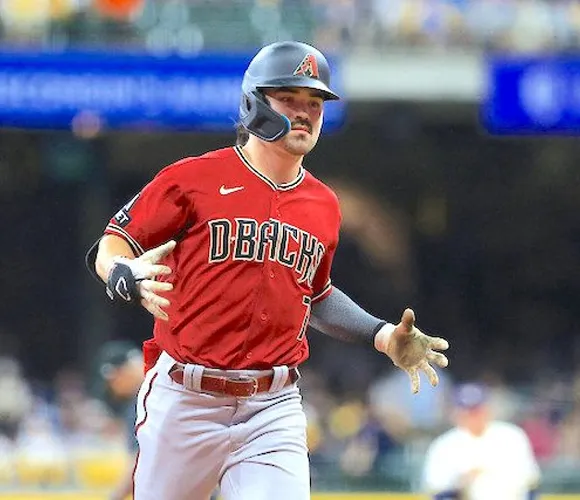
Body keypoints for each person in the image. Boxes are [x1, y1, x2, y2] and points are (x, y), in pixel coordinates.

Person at [86, 40, 450, 500]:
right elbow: (113, 243)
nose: (304, 112)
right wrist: (122, 270)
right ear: (253, 103)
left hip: (271, 405)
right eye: (289, 99)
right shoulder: (192, 178)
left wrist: (381, 335)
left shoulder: (323, 204)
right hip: (186, 398)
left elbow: (315, 295)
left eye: (314, 103)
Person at [422, 382, 541, 500]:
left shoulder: (511, 436)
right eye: (467, 411)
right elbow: (437, 489)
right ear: (456, 413)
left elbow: (530, 481)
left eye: (477, 410)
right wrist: (461, 482)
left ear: (487, 409)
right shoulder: (444, 445)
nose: (473, 416)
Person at [95, 341, 143, 500]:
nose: (113, 387)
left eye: (114, 379)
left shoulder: (142, 402)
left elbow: (140, 463)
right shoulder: (168, 384)